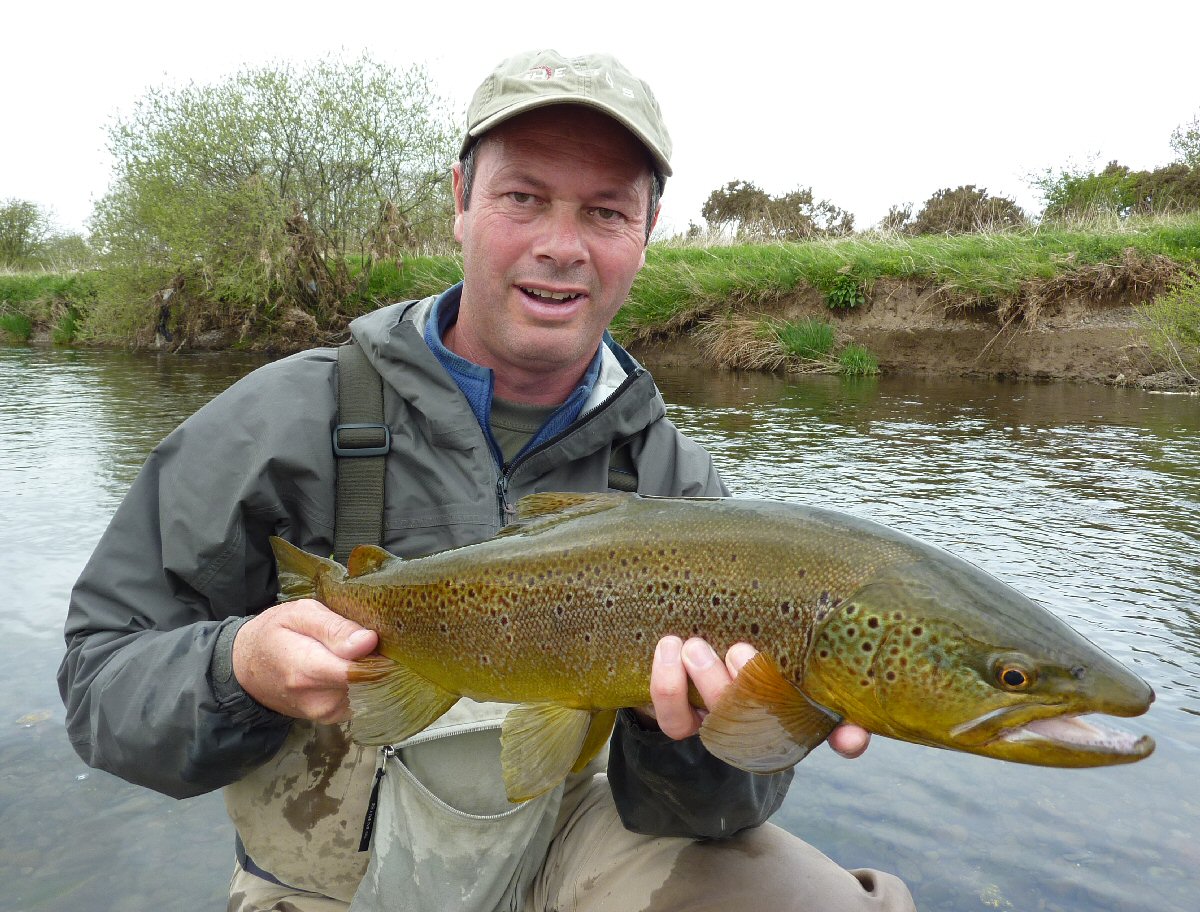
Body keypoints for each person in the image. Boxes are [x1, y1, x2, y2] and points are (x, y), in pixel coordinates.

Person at [59, 49, 915, 912]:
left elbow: (716, 818)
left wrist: (698, 731)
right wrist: (239, 667)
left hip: (565, 856)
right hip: (326, 883)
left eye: (606, 211)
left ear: (647, 233)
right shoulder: (277, 420)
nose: (561, 246)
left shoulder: (675, 482)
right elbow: (99, 684)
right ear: (461, 202)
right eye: (524, 198)